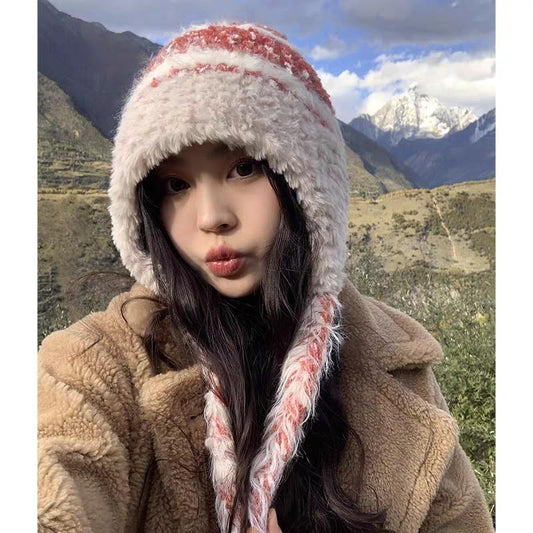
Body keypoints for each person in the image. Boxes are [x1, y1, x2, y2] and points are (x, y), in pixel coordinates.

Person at [37, 21, 494, 533]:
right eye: (175, 184)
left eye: (244, 168)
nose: (211, 217)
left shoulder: (395, 364)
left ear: (307, 186)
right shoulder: (98, 365)